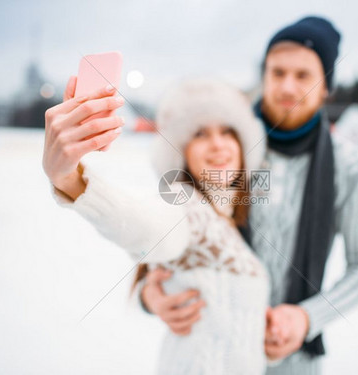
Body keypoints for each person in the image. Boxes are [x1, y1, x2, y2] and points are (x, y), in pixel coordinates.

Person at [141, 16, 358, 374]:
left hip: (292, 362)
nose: (287, 86)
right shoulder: (225, 145)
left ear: (325, 85)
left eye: (303, 75)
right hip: (211, 350)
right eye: (277, 72)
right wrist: (151, 294)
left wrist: (305, 318)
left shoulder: (348, 168)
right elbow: (167, 230)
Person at [43, 78, 271, 374]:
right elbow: (146, 223)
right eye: (200, 133)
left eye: (227, 131)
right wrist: (70, 180)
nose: (217, 143)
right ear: (183, 152)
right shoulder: (189, 206)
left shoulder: (229, 219)